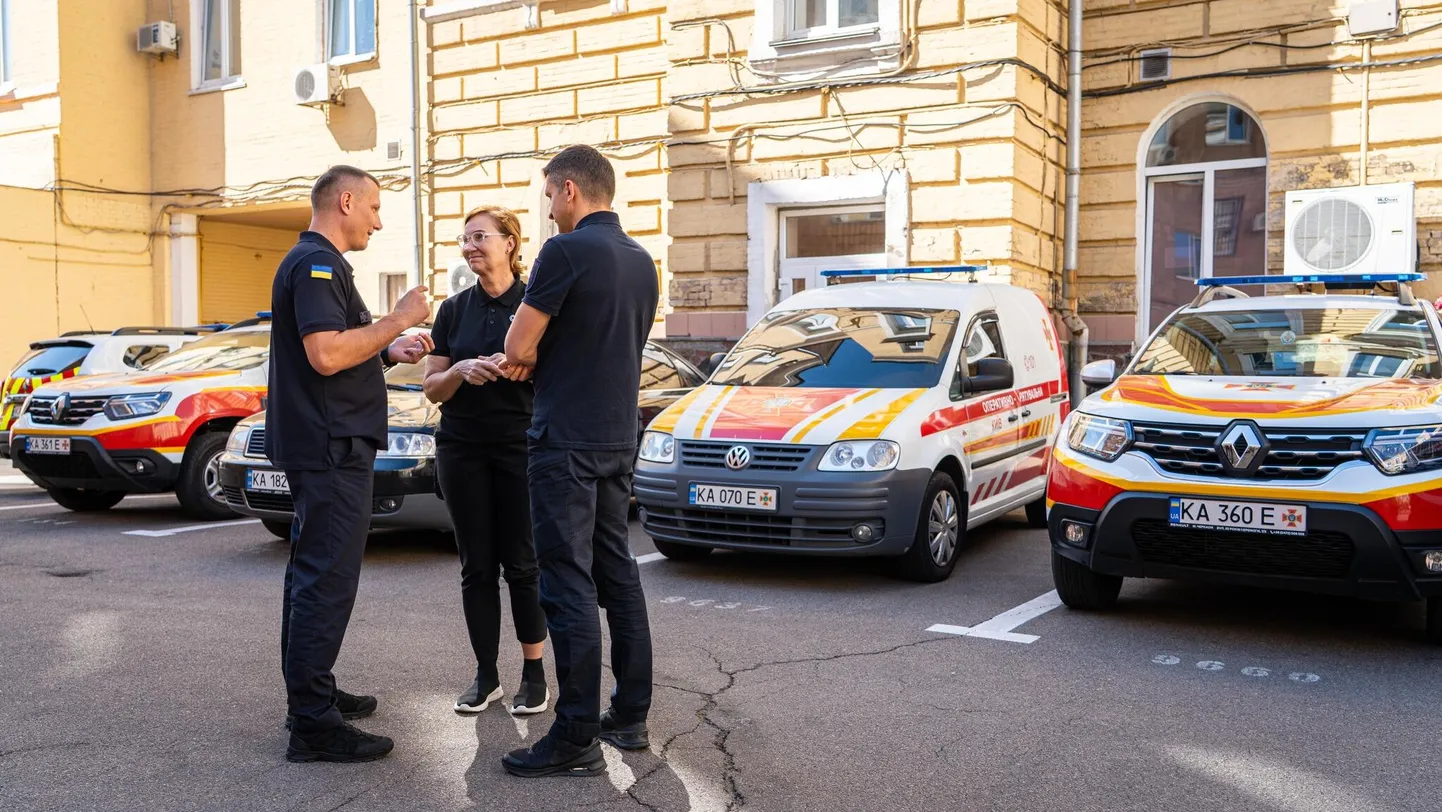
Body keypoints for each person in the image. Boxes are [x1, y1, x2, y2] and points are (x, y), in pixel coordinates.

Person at [500, 145, 659, 778]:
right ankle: (630, 716)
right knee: (617, 572)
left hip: (565, 438)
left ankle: (574, 736)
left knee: (565, 584)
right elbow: (611, 346)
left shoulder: (563, 251)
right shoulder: (641, 260)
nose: (548, 210)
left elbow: (517, 344)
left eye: (548, 196)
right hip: (617, 436)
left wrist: (534, 357)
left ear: (569, 189)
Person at [267, 165, 434, 763]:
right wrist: (399, 319)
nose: (378, 221)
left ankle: (313, 693)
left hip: (326, 442)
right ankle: (313, 723)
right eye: (374, 208)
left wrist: (388, 350)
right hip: (331, 448)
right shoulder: (317, 263)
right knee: (326, 580)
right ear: (345, 202)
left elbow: (341, 352)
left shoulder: (317, 262)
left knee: (312, 574)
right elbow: (326, 354)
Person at [422, 206, 550, 718]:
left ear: (509, 243)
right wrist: (460, 370)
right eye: (465, 239)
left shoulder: (536, 303)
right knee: (476, 566)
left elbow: (560, 369)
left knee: (522, 563)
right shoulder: (453, 309)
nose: (469, 246)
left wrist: (525, 363)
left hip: (521, 447)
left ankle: (534, 674)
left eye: (479, 237)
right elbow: (432, 387)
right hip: (462, 448)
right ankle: (486, 675)